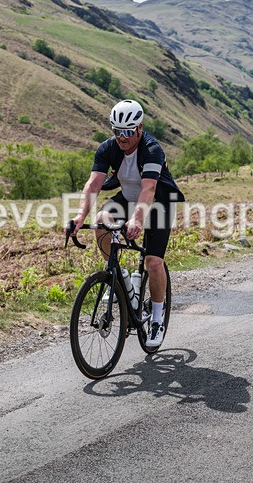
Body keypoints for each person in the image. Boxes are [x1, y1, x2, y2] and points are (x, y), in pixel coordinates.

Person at [68, 99, 184, 348]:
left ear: (139, 128)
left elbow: (149, 188)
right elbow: (94, 184)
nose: (122, 137)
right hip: (128, 199)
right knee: (101, 221)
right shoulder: (108, 148)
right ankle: (122, 279)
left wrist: (137, 219)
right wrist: (80, 216)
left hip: (159, 202)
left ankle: (156, 319)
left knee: (153, 262)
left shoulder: (152, 149)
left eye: (128, 132)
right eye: (117, 131)